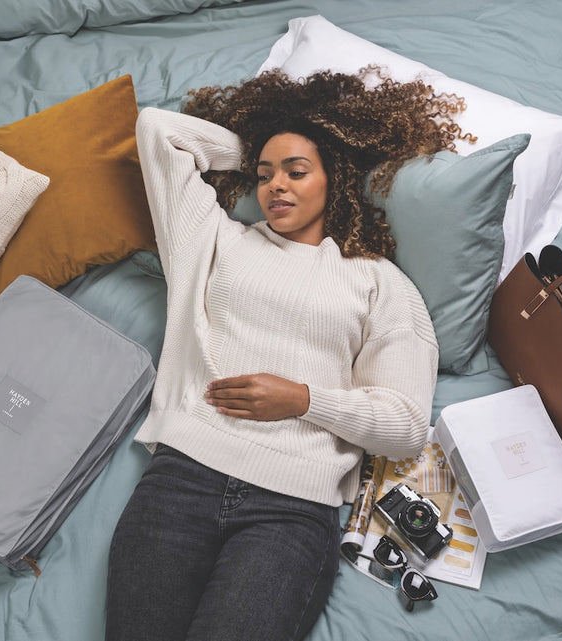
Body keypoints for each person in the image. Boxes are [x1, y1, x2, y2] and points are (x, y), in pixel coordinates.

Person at [105, 68, 471, 641]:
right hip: (179, 482)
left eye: (297, 171)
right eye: (263, 174)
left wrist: (302, 400)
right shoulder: (213, 240)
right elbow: (158, 130)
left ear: (335, 178)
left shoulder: (381, 284)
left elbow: (403, 428)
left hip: (292, 509)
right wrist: (260, 143)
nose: (275, 186)